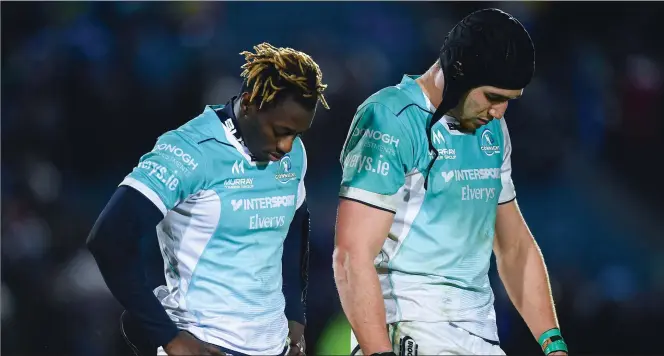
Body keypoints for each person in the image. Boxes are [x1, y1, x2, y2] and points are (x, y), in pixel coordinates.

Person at [333, 8, 569, 356]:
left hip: (480, 337)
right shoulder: (390, 119)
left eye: (508, 100)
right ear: (459, 70)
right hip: (410, 331)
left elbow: (514, 247)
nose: (500, 112)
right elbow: (351, 256)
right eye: (493, 97)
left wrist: (554, 345)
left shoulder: (493, 130)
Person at [87, 42, 329, 356]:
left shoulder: (293, 154)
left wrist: (296, 314)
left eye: (298, 133)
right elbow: (109, 238)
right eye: (281, 130)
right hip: (206, 344)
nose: (287, 145)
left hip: (275, 346)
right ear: (250, 103)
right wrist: (168, 336)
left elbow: (294, 225)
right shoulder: (189, 151)